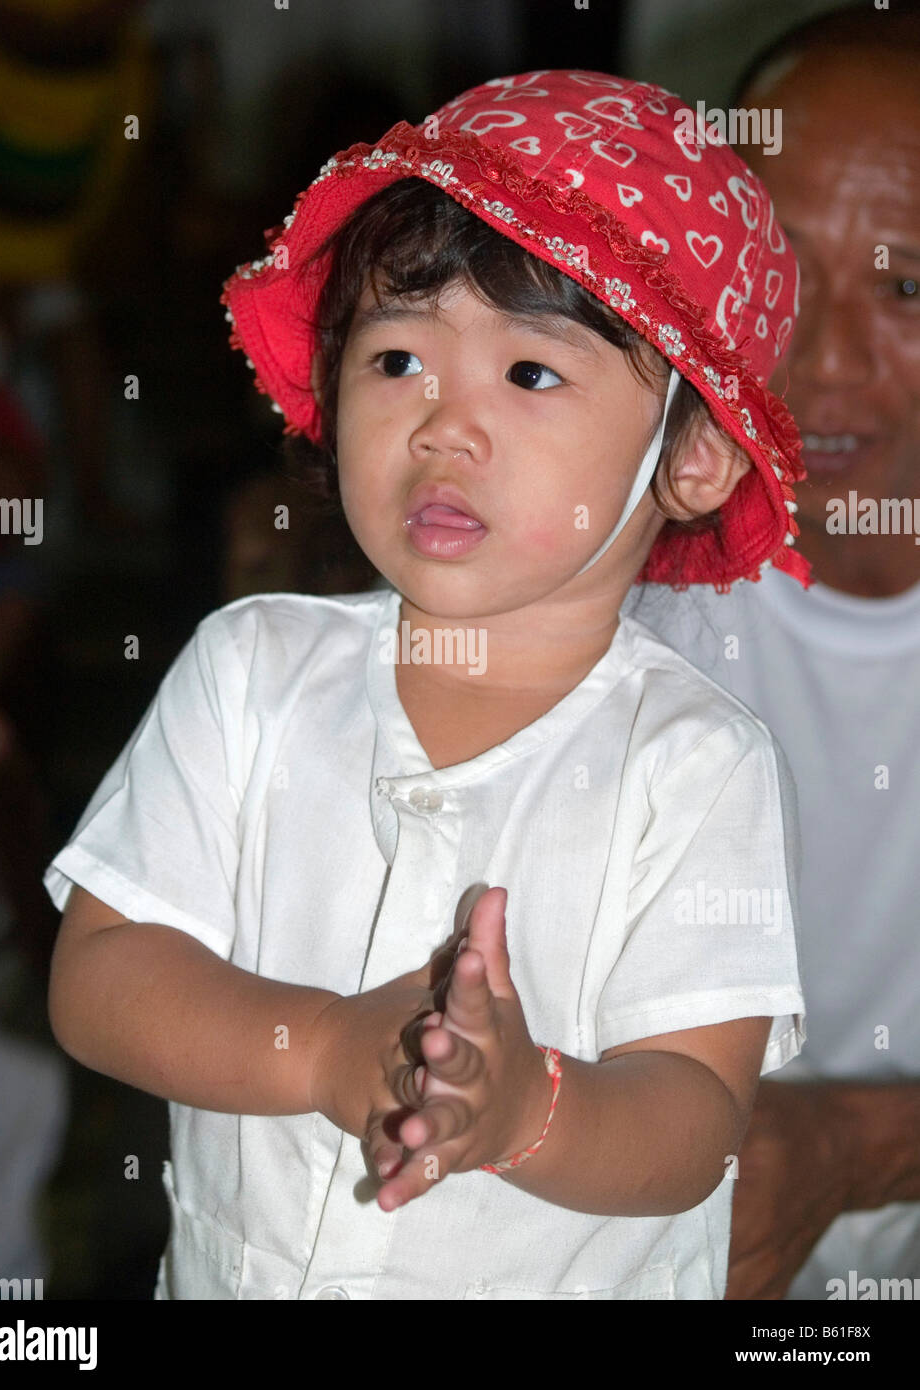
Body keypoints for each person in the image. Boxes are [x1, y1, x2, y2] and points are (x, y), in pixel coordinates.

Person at [44, 69, 808, 1300]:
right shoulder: (250, 672)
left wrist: (525, 1108)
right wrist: (320, 1049)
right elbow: (101, 976)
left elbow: (693, 1118)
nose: (441, 425)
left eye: (528, 374)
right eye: (397, 356)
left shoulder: (689, 761)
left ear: (696, 453)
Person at [627, 6, 920, 1299]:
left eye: (907, 284)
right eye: (784, 275)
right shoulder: (601, 581)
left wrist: (850, 1144)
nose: (821, 357)